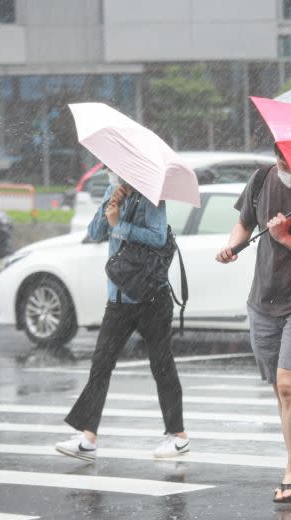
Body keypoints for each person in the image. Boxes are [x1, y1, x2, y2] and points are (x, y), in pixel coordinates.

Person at [216, 145, 291, 503]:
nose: (289, 167)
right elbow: (244, 223)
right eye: (283, 159)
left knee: (288, 386)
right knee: (281, 391)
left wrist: (286, 238)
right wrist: (232, 247)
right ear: (276, 155)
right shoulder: (261, 179)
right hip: (263, 300)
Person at [55, 175, 188, 462]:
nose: (109, 173)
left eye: (113, 169)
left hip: (150, 296)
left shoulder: (151, 195)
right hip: (118, 297)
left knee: (161, 364)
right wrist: (110, 203)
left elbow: (158, 236)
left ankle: (178, 436)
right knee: (101, 363)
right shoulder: (111, 191)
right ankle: (88, 438)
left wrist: (121, 225)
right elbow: (94, 231)